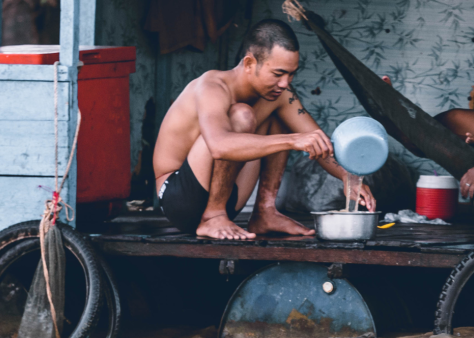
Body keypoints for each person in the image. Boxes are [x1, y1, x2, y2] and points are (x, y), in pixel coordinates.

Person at [153, 19, 375, 240]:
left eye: (291, 74)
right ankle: (213, 215)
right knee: (242, 115)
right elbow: (220, 146)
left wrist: (348, 179)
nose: (285, 83)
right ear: (249, 63)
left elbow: (317, 141)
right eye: (278, 74)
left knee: (278, 111)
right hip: (178, 198)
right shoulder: (212, 86)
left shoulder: (279, 95)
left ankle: (265, 212)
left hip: (227, 197)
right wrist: (291, 140)